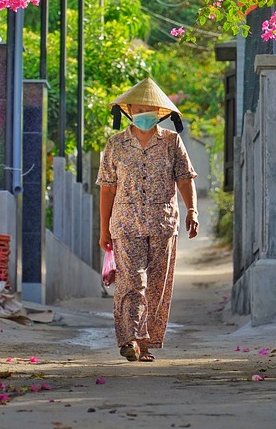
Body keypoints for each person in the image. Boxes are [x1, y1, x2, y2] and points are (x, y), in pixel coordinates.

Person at [96, 77, 199, 363]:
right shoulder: (115, 144)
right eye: (139, 109)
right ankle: (130, 338)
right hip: (125, 224)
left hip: (163, 223)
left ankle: (145, 342)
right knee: (132, 281)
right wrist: (103, 228)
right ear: (129, 111)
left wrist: (193, 210)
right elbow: (107, 188)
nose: (144, 115)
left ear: (159, 112)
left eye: (149, 110)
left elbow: (184, 178)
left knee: (156, 284)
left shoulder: (171, 142)